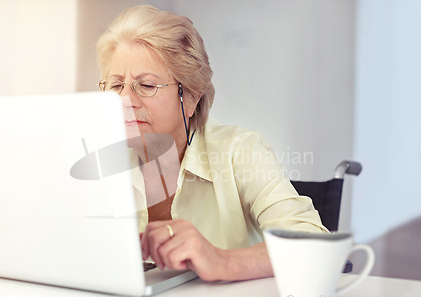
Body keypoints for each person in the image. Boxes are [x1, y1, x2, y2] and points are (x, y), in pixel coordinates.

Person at [96, 5, 328, 282]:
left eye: (146, 85)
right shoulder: (97, 155)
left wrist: (222, 260)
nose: (126, 101)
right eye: (116, 85)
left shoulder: (240, 150)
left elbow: (314, 243)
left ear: (191, 98)